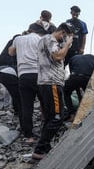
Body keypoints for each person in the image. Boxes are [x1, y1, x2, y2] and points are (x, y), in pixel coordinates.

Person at [32, 23, 74, 160]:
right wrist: (67, 44)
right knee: (57, 117)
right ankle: (40, 149)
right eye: (67, 37)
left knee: (50, 117)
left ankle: (44, 148)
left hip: (47, 83)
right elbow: (57, 57)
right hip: (52, 83)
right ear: (63, 33)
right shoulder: (51, 39)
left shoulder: (46, 40)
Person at [9, 22, 51, 143]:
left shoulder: (18, 39)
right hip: (38, 74)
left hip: (23, 75)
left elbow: (11, 52)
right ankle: (46, 133)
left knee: (27, 107)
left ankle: (29, 136)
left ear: (29, 29)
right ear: (38, 31)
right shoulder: (40, 39)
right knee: (45, 103)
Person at [64, 53, 94, 120]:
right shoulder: (92, 57)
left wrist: (80, 97)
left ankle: (71, 114)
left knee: (66, 93)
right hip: (88, 78)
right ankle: (89, 113)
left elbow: (74, 75)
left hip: (75, 76)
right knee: (89, 95)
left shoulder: (73, 58)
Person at [0, 34, 21, 116]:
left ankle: (8, 106)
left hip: (2, 67)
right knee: (10, 89)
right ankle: (7, 106)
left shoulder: (9, 43)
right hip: (6, 67)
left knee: (9, 89)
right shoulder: (13, 44)